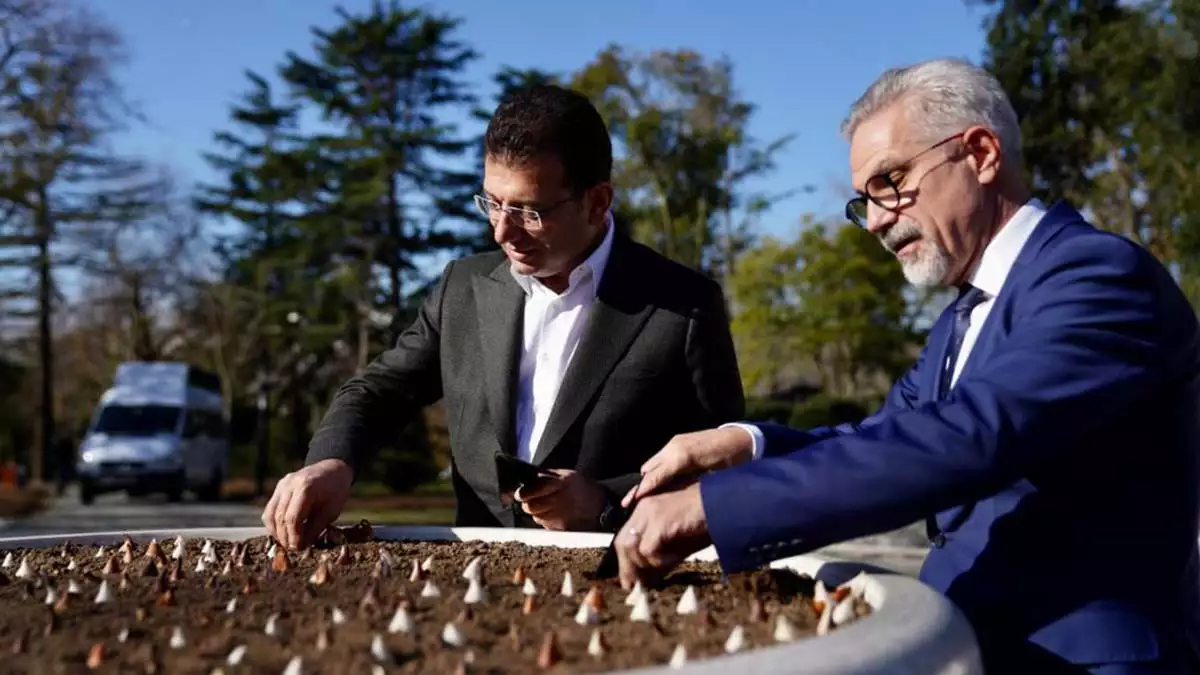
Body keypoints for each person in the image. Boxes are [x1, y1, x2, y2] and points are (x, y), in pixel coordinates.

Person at [613, 58, 1200, 674]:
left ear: (979, 153)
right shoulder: (960, 316)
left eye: (890, 181)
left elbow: (964, 439)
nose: (874, 221)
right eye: (863, 200)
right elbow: (885, 438)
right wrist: (746, 444)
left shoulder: (1100, 278)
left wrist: (717, 506)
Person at [262, 84, 745, 551]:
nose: (501, 232)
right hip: (476, 587)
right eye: (492, 202)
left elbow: (724, 467)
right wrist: (331, 462)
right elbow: (378, 392)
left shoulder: (686, 305)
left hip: (624, 584)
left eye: (528, 211)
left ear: (597, 202)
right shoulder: (463, 287)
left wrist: (602, 504)